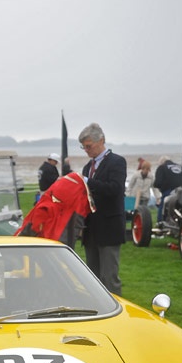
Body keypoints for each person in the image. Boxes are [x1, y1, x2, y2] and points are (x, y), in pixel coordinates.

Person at [79, 123, 127, 296]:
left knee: (109, 277)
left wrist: (88, 181)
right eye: (83, 147)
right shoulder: (87, 167)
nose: (86, 150)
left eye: (89, 146)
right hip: (91, 230)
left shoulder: (117, 162)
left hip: (109, 228)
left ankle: (116, 314)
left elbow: (115, 189)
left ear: (101, 141)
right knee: (92, 277)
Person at [153, 156, 182, 221]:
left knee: (163, 206)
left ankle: (160, 223)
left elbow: (157, 183)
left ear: (162, 162)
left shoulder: (161, 167)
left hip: (169, 191)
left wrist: (160, 188)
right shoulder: (181, 167)